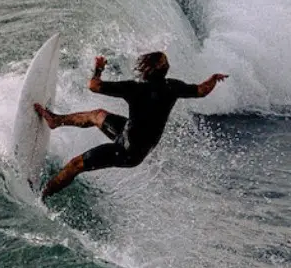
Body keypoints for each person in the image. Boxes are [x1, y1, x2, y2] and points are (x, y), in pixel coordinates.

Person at [34, 51, 227, 198]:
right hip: (134, 138)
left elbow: (93, 85)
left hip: (127, 151)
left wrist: (99, 68)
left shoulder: (135, 88)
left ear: (145, 70)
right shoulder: (172, 87)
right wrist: (213, 79)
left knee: (75, 164)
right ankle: (55, 121)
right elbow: (201, 90)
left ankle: (41, 195)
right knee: (97, 115)